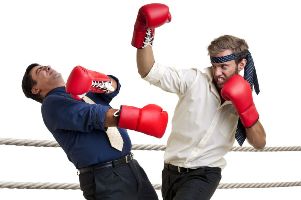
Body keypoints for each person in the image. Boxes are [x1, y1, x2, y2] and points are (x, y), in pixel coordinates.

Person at [131, 3, 266, 200]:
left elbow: (259, 142)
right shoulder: (193, 80)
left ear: (241, 64)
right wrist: (144, 33)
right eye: (215, 65)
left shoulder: (243, 94)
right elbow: (149, 71)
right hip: (170, 170)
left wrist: (246, 109)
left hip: (205, 174)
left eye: (224, 67)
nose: (218, 72)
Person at [21, 64, 169, 200]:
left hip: (131, 167)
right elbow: (93, 115)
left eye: (45, 66)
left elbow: (114, 87)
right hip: (104, 177)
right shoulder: (52, 104)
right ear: (35, 89)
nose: (47, 67)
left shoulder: (82, 94)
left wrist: (94, 80)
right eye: (39, 71)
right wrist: (138, 117)